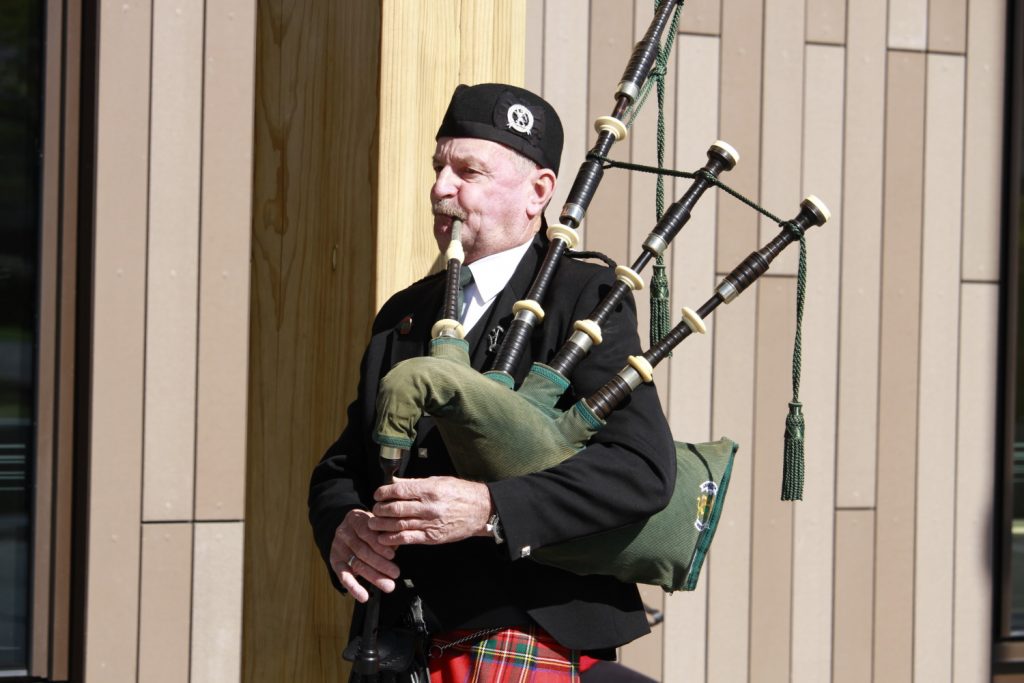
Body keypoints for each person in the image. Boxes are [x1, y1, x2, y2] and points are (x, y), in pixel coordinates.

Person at [308, 83, 675, 680]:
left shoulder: (582, 298)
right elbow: (344, 466)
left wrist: (489, 508)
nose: (440, 188)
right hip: (401, 647)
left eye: (468, 171)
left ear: (538, 192)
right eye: (439, 167)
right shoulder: (405, 312)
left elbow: (641, 467)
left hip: (528, 636)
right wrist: (344, 526)